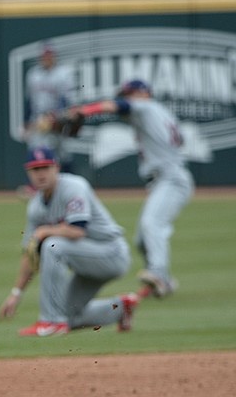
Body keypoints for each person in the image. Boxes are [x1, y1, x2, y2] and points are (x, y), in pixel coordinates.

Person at [71, 79, 194, 298]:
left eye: (127, 94)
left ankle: (157, 273)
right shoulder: (160, 111)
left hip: (171, 178)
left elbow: (117, 106)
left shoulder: (145, 106)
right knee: (141, 240)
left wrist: (85, 110)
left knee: (152, 224)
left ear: (141, 93)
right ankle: (163, 282)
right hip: (164, 179)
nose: (124, 99)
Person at [0, 147, 138, 337]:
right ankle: (121, 308)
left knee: (53, 246)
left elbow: (77, 230)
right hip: (86, 262)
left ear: (56, 168)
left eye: (45, 167)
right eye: (35, 169)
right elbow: (30, 254)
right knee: (70, 316)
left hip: (111, 253)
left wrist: (45, 231)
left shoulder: (74, 187)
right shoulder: (35, 207)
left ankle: (51, 322)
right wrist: (16, 293)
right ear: (28, 173)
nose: (41, 174)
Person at [22, 44, 75, 173]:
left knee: (63, 153)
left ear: (54, 56)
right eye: (44, 55)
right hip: (39, 118)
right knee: (36, 150)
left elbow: (65, 99)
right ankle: (36, 186)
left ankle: (69, 180)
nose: (47, 58)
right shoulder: (33, 74)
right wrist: (26, 121)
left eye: (49, 55)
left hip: (59, 117)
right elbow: (29, 100)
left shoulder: (63, 73)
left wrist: (56, 117)